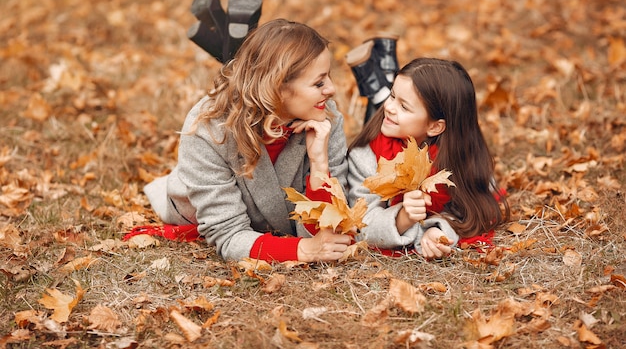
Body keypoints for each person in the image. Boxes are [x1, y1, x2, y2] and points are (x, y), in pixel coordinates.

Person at [143, 18, 352, 263]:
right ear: (278, 87)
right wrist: (305, 250)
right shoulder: (208, 130)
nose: (332, 89)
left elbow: (326, 234)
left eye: (328, 77)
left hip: (271, 224)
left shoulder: (325, 116)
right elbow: (229, 236)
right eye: (319, 82)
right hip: (196, 208)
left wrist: (319, 165)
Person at [347, 58, 509, 258]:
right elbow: (362, 225)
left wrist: (438, 229)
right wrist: (404, 218)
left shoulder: (460, 158)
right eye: (392, 95)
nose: (389, 107)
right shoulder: (365, 158)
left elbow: (477, 209)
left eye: (404, 107)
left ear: (434, 127)